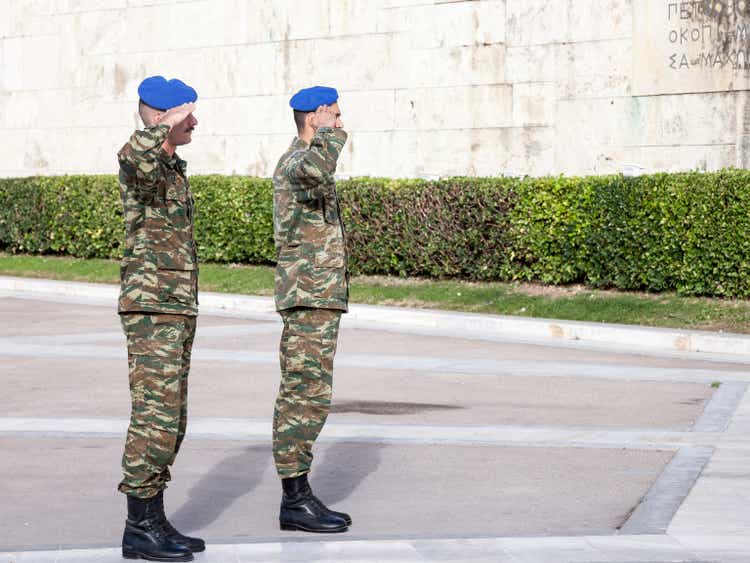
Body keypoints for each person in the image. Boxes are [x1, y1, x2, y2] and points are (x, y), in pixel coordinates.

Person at [116, 75, 203, 562]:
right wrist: (161, 122)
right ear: (162, 117)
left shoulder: (171, 167)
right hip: (151, 311)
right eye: (186, 114)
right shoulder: (139, 163)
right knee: (154, 416)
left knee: (171, 418)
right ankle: (138, 528)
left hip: (175, 307)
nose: (195, 122)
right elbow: (134, 154)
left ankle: (155, 517)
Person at [271, 85, 352, 533]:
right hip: (306, 296)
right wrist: (329, 134)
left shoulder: (306, 159)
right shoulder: (299, 162)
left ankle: (299, 495)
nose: (341, 124)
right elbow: (320, 166)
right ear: (315, 116)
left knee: (312, 395)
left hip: (317, 295)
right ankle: (294, 499)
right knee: (303, 395)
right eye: (335, 115)